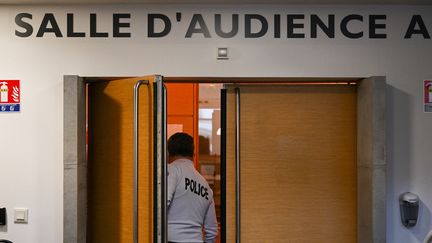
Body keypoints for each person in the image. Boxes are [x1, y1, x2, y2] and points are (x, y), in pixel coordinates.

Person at [167, 132, 218, 243]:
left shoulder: (171, 170)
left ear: (168, 153)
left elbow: (162, 203)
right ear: (193, 154)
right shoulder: (205, 185)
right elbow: (212, 232)